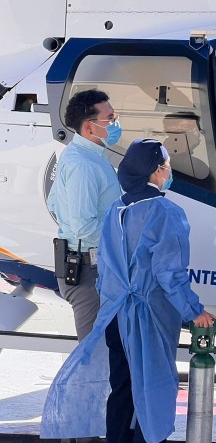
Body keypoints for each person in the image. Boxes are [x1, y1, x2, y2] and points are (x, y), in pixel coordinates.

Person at [41, 139, 215, 443]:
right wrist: (194, 311)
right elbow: (169, 274)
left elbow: (105, 268)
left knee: (122, 388)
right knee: (153, 389)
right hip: (149, 319)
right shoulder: (165, 212)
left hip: (114, 315)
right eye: (167, 166)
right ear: (156, 171)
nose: (169, 171)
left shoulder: (115, 210)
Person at [46, 89, 122, 340]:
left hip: (92, 265)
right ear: (89, 127)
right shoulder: (84, 164)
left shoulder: (83, 155)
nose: (116, 123)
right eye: (110, 119)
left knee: (104, 350)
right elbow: (84, 227)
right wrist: (123, 236)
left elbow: (54, 203)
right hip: (89, 269)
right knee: (94, 352)